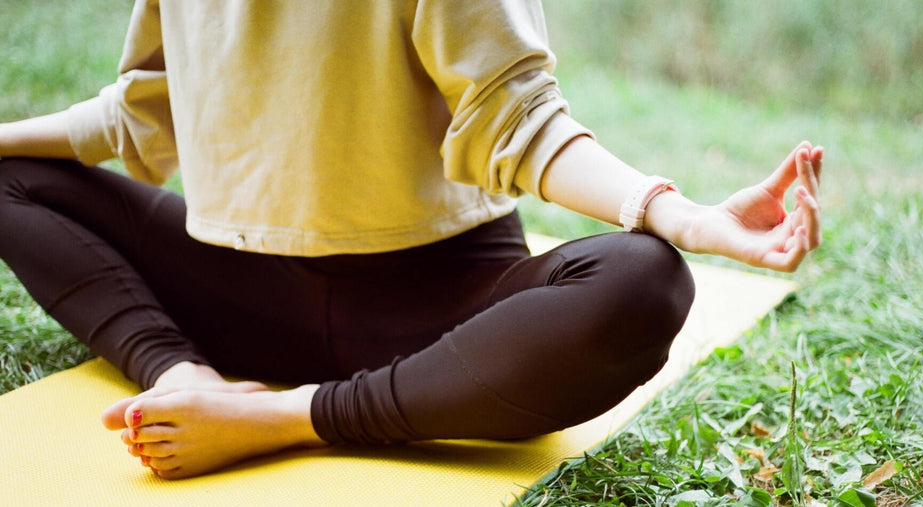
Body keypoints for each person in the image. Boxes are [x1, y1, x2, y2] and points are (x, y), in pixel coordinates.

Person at [0, 0, 822, 480]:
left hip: (438, 310)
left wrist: (683, 217)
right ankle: (191, 382)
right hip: (241, 289)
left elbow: (523, 120)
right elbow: (143, 110)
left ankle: (287, 417)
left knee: (644, 279)